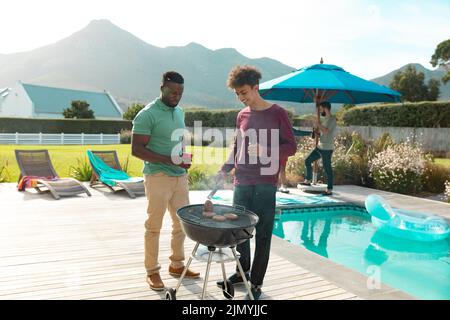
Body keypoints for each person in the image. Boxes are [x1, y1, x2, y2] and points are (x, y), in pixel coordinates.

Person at [215, 65, 297, 300]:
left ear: (255, 87)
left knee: (262, 234)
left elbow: (291, 147)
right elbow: (237, 146)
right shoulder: (242, 115)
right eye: (238, 94)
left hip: (265, 184)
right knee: (239, 232)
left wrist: (265, 149)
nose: (241, 98)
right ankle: (242, 273)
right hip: (242, 181)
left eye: (244, 92)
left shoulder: (277, 113)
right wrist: (225, 170)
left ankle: (256, 281)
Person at [131, 71, 199, 291]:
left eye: (180, 92)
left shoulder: (179, 112)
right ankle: (152, 271)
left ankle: (177, 265)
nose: (176, 95)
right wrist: (170, 160)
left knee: (181, 224)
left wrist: (182, 160)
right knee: (154, 226)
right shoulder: (146, 115)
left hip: (180, 177)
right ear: (162, 89)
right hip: (157, 176)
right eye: (172, 91)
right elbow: (136, 149)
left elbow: (178, 142)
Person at [299, 101, 337, 195]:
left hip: (327, 149)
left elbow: (327, 131)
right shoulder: (325, 119)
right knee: (307, 160)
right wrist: (316, 132)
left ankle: (329, 189)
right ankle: (308, 180)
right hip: (320, 147)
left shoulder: (333, 119)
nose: (320, 111)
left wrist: (318, 123)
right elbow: (322, 133)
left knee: (327, 168)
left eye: (320, 109)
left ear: (325, 108)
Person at [278, 127, 313, 193]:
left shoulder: (285, 125)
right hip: (271, 148)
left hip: (281, 150)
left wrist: (310, 133)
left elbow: (296, 132)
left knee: (281, 168)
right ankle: (278, 186)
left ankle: (283, 186)